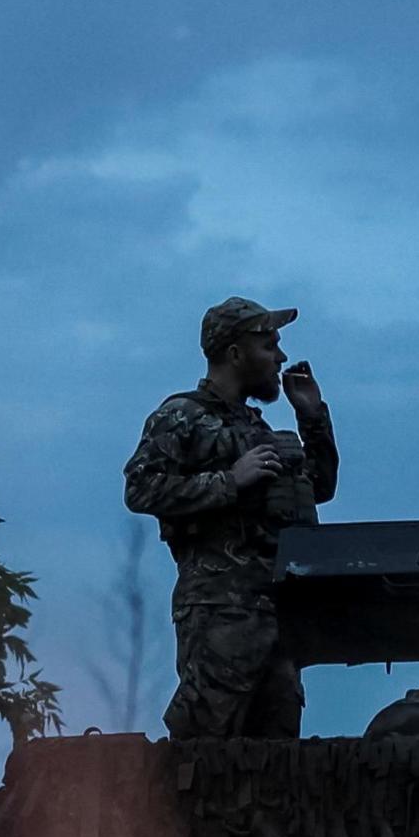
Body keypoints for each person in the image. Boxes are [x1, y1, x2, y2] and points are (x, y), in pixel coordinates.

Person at [123, 296, 338, 739]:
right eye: (269, 346)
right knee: (203, 748)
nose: (280, 357)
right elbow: (140, 488)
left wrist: (312, 417)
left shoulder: (259, 429)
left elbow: (320, 488)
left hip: (277, 616)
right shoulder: (182, 416)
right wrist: (229, 481)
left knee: (275, 761)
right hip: (221, 615)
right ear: (235, 353)